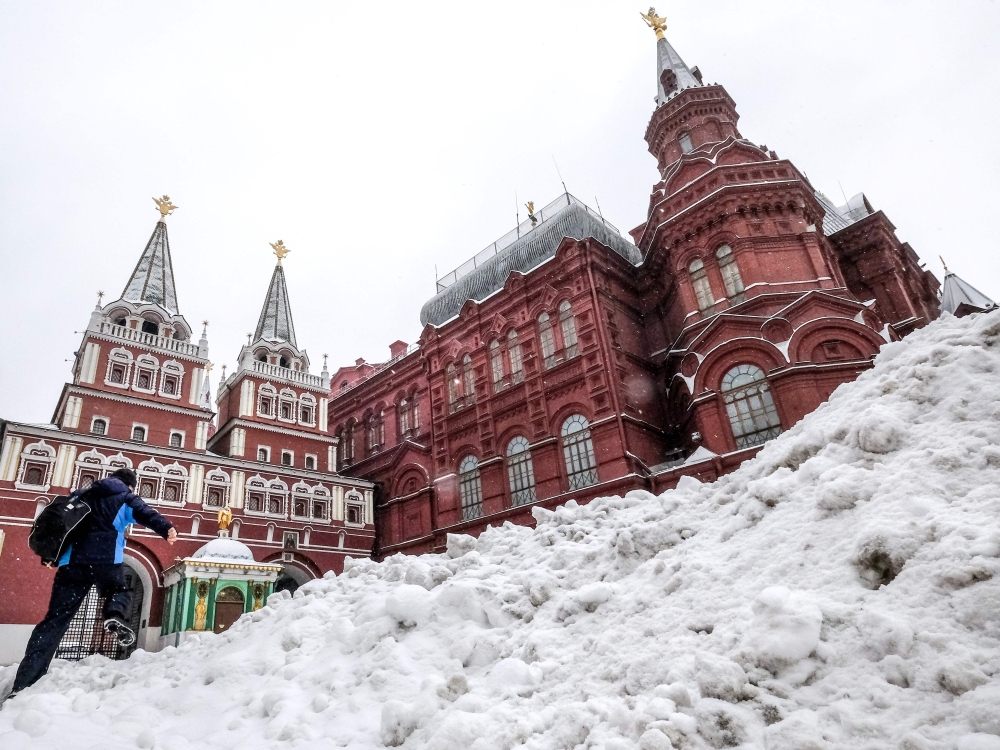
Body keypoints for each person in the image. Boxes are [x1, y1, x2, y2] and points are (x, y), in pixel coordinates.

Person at [9, 468, 177, 695]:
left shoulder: (82, 495)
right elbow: (145, 512)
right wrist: (166, 528)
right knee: (118, 590)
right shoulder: (125, 497)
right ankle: (114, 615)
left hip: (72, 563)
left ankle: (24, 683)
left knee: (54, 621)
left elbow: (60, 525)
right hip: (106, 560)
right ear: (130, 485)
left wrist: (50, 556)